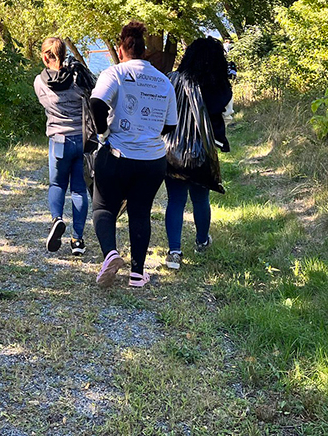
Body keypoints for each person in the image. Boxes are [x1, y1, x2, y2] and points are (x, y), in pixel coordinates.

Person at [90, 21, 177, 288]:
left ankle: (111, 255)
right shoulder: (164, 81)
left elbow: (96, 103)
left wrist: (104, 132)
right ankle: (138, 274)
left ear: (120, 48)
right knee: (141, 212)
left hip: (117, 155)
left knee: (104, 206)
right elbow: (170, 125)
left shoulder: (114, 73)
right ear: (143, 50)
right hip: (152, 160)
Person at [164, 36, 232, 271]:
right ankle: (202, 241)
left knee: (175, 200)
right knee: (201, 199)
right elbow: (226, 115)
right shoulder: (219, 85)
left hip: (171, 151)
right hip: (202, 152)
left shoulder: (172, 81)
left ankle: (174, 251)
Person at [33, 37, 94, 256]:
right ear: (64, 53)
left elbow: (45, 104)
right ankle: (78, 240)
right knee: (79, 189)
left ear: (44, 56)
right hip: (82, 139)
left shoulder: (39, 82)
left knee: (57, 184)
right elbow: (91, 97)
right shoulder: (78, 79)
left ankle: (57, 218)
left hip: (58, 140)